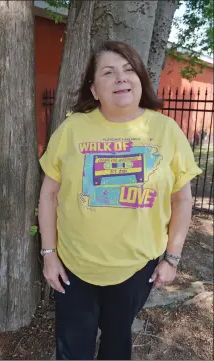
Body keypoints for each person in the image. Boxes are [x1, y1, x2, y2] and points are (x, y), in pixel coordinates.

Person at [38, 41, 202, 360]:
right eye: (108, 72)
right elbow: (49, 194)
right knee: (72, 351)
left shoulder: (167, 132)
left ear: (140, 79)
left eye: (129, 70)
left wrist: (172, 258)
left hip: (136, 270)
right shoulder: (72, 129)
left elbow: (183, 199)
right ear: (94, 89)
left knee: (117, 345)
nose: (121, 78)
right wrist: (49, 255)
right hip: (74, 267)